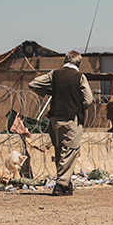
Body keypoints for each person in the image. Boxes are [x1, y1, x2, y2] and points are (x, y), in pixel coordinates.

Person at [29, 50, 94, 196]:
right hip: (72, 118)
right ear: (80, 63)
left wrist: (50, 91)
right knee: (71, 150)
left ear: (65, 61)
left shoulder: (54, 75)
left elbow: (33, 84)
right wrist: (79, 101)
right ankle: (60, 184)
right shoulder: (80, 77)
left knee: (60, 150)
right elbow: (88, 100)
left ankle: (67, 184)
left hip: (55, 118)